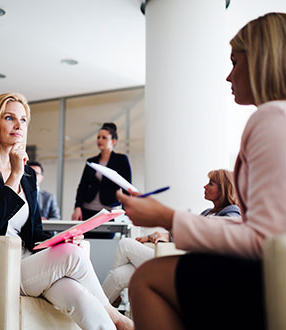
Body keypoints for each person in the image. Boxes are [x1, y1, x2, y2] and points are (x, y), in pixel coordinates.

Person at [118, 12, 286, 330]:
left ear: (262, 60)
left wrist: (165, 217)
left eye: (235, 62)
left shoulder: (272, 118)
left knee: (147, 279)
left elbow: (265, 239)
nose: (228, 76)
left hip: (272, 279)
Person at [0, 92, 133, 330]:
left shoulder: (27, 174)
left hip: (28, 262)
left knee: (79, 297)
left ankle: (113, 325)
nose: (19, 125)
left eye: (23, 120)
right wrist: (14, 175)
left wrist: (62, 240)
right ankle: (118, 318)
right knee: (72, 255)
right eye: (9, 118)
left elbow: (35, 233)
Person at [102, 169, 240, 306]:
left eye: (211, 183)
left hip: (186, 268)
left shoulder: (232, 213)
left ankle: (109, 305)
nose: (205, 186)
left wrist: (169, 220)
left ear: (224, 189)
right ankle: (98, 319)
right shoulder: (207, 212)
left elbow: (213, 232)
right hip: (179, 259)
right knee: (117, 276)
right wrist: (152, 236)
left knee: (125, 244)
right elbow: (189, 235)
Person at [72, 122, 132, 238]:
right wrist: (77, 207)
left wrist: (126, 212)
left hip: (107, 212)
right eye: (98, 137)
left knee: (106, 243)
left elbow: (127, 187)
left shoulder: (121, 160)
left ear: (113, 141)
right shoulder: (92, 161)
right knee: (86, 242)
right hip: (87, 210)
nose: (100, 140)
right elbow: (82, 186)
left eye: (104, 137)